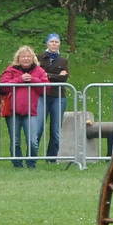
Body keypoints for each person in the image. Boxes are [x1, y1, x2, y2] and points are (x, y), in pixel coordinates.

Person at [0, 45, 49, 168]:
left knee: (33, 141)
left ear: (33, 58)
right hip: (12, 111)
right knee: (15, 141)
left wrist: (33, 80)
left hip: (31, 111)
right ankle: (17, 164)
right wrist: (19, 79)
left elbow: (46, 88)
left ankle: (31, 164)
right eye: (23, 56)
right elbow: (3, 86)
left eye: (28, 56)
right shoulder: (11, 70)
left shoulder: (39, 71)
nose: (26, 59)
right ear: (18, 58)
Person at [38, 33, 71, 162]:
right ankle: (32, 157)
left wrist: (47, 75)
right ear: (47, 43)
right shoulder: (39, 58)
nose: (54, 44)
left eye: (56, 42)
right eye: (51, 41)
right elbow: (38, 76)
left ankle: (51, 159)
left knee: (56, 130)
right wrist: (55, 75)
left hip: (58, 97)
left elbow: (64, 78)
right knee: (38, 128)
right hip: (42, 96)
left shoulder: (63, 60)